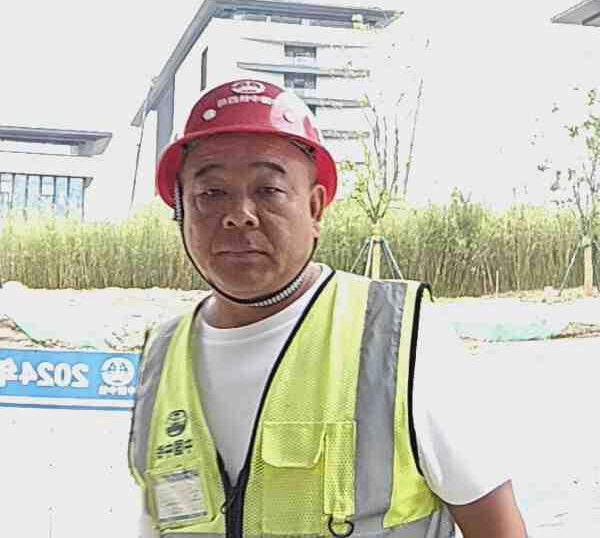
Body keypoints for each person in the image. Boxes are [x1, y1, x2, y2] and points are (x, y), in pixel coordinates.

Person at [129, 79, 527, 537]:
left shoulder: (399, 337)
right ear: (181, 210)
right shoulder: (161, 356)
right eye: (211, 193)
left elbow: (497, 527)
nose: (240, 214)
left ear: (316, 208)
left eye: (268, 190)